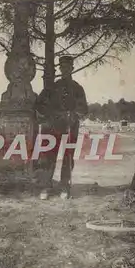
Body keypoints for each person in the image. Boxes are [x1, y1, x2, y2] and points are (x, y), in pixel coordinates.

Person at [34, 55, 88, 200]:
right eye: (62, 67)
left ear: (72, 69)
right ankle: (45, 187)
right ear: (60, 68)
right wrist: (49, 117)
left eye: (68, 67)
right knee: (48, 156)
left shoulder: (77, 88)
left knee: (68, 157)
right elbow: (39, 104)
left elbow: (84, 109)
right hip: (53, 127)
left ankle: (65, 187)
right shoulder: (52, 87)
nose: (65, 70)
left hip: (71, 127)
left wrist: (74, 114)